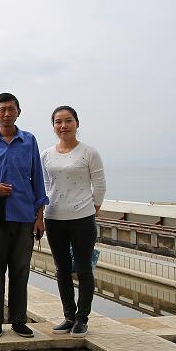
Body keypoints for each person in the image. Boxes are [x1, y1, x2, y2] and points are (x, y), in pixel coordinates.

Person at [0, 92, 49, 338]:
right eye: (2, 109)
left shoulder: (29, 141)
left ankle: (18, 321)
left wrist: (40, 216)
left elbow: (38, 179)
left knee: (20, 271)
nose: (6, 113)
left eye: (11, 109)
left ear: (18, 112)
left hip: (24, 216)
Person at [41, 106, 106, 337]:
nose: (63, 126)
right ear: (53, 126)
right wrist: (46, 209)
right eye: (58, 122)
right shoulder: (47, 154)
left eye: (68, 121)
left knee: (84, 269)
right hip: (54, 218)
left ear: (77, 123)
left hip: (82, 219)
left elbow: (99, 184)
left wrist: (92, 208)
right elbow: (47, 184)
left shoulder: (89, 152)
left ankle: (82, 319)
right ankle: (69, 316)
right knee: (62, 270)